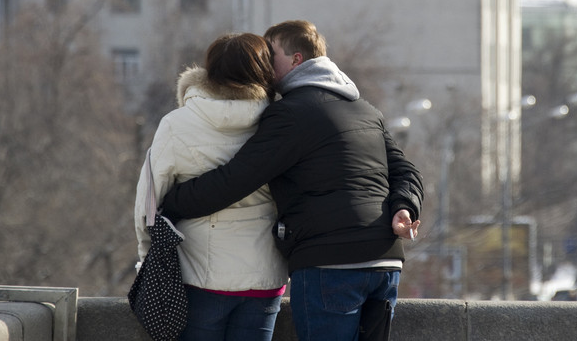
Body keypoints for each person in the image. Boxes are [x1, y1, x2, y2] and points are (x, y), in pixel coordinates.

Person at [162, 20, 423, 341]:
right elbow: (406, 171)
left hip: (330, 264)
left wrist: (170, 202)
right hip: (386, 262)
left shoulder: (290, 114)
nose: (264, 65)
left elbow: (234, 180)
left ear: (296, 60)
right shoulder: (364, 109)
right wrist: (404, 206)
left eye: (271, 55)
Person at [134, 33, 288, 341]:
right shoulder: (281, 124)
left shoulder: (177, 124)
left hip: (197, 275)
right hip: (264, 277)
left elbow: (149, 204)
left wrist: (147, 259)